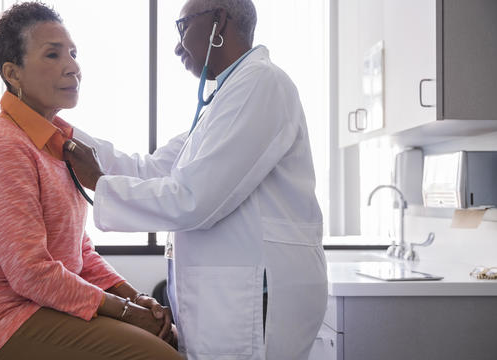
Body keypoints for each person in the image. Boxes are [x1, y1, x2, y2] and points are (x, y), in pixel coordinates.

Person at [63, 0, 328, 359]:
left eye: (183, 27)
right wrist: (62, 132)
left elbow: (195, 198)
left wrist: (99, 182)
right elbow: (151, 169)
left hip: (255, 295)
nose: (176, 46)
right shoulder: (225, 100)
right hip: (229, 295)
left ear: (218, 21)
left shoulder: (261, 84)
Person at [0, 3, 181, 360]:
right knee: (159, 356)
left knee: (168, 339)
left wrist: (135, 297)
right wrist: (128, 313)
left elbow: (77, 251)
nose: (73, 67)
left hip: (40, 306)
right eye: (53, 54)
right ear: (13, 73)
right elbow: (31, 273)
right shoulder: (1, 146)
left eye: (74, 54)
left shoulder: (58, 144)